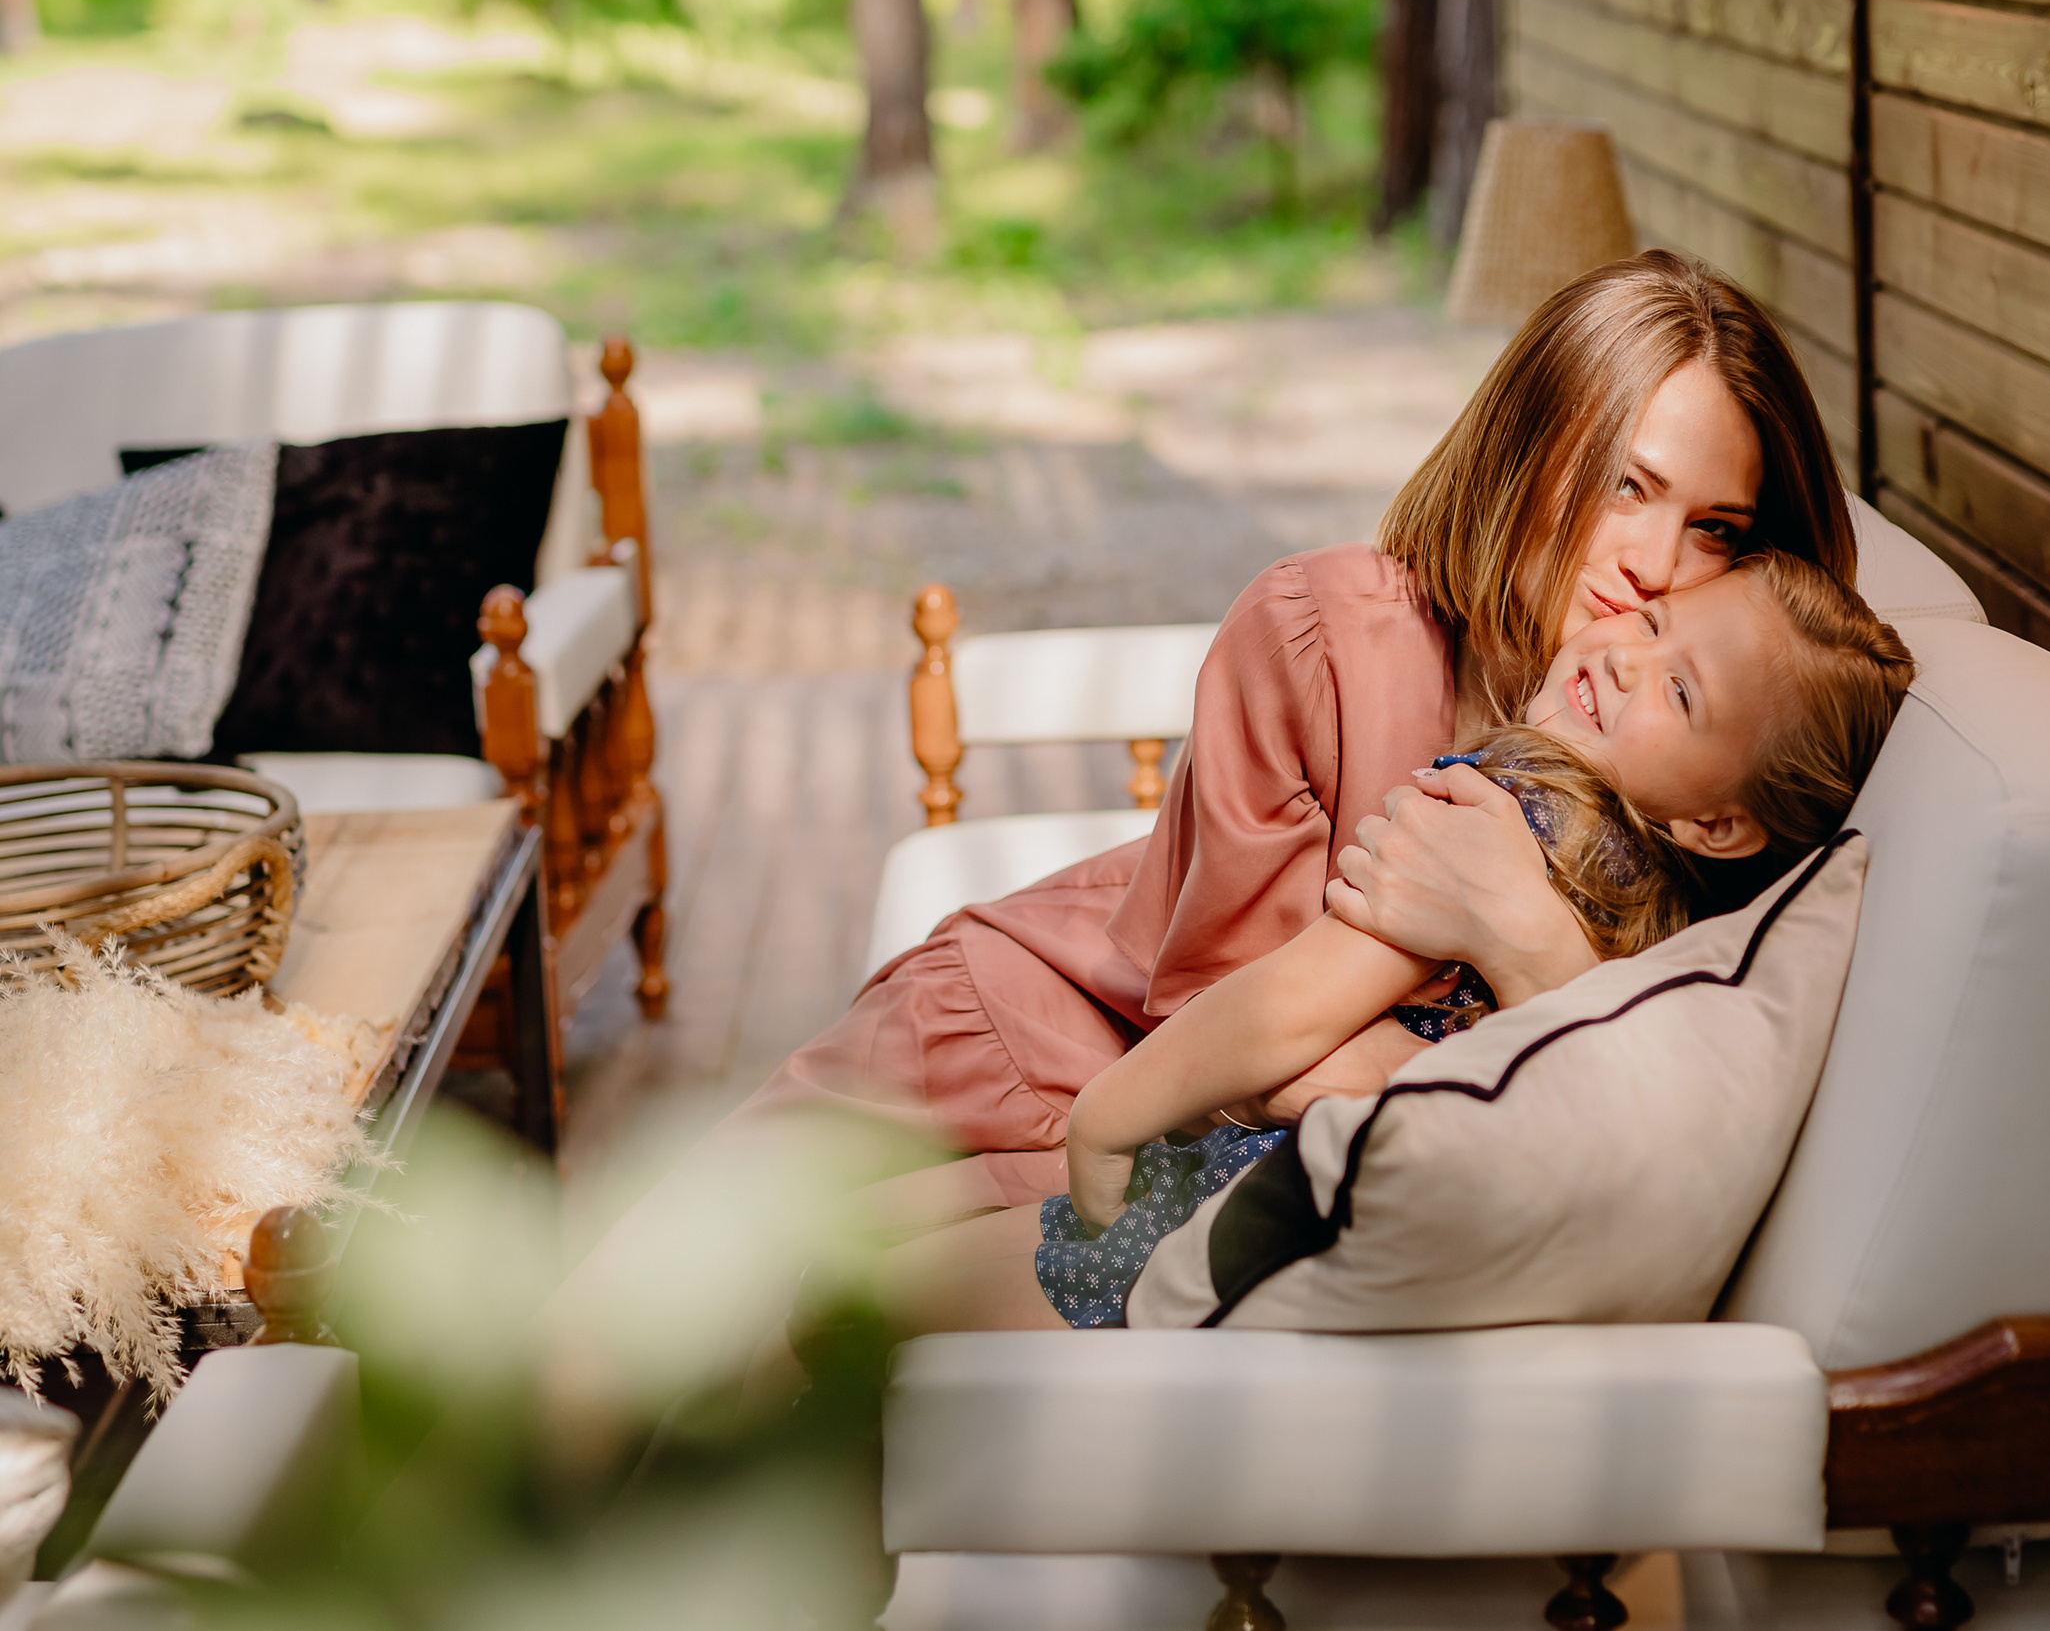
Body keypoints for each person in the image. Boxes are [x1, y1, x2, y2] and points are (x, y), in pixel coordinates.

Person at [741, 251, 1862, 1236]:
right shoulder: (1322, 635)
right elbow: (1243, 1040)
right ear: (1531, 451)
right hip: (1030, 1033)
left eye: (1714, 528)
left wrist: (1527, 944)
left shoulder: (1712, 765)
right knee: (638, 1333)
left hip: (1179, 1166)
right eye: (1628, 487)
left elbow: (1635, 1105)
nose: (1656, 564)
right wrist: (1494, 1038)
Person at [876, 555, 1915, 1333]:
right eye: (1647, 622)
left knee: (849, 1310)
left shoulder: (1511, 814)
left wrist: (1110, 1115)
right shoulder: (1664, 911)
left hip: (1210, 1208)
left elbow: (1291, 999)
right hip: (1285, 1221)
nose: (1624, 659)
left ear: (1721, 825)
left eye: (1680, 692)